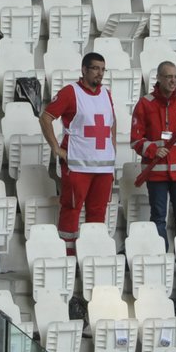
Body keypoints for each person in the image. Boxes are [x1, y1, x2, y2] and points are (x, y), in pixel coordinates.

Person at [40, 52, 119, 255]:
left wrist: (114, 145)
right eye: (95, 68)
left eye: (102, 69)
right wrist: (56, 148)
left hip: (103, 167)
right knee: (71, 211)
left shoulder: (106, 93)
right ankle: (68, 257)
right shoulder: (70, 92)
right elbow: (46, 117)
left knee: (98, 214)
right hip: (77, 166)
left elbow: (111, 121)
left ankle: (92, 255)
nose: (99, 74)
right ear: (84, 70)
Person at [130, 61, 176, 244]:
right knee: (158, 217)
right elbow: (136, 140)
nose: (173, 81)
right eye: (168, 76)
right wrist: (154, 149)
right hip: (156, 172)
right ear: (159, 78)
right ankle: (161, 256)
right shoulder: (145, 103)